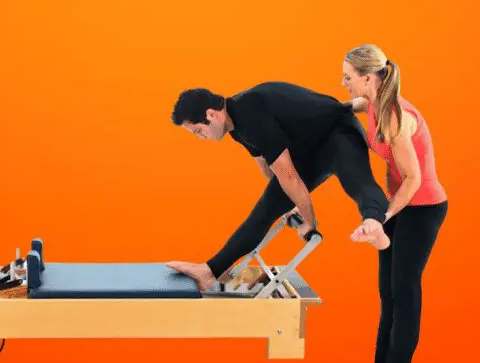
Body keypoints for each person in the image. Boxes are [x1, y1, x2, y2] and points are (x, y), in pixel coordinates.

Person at [166, 81, 391, 292]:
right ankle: (210, 271)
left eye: (197, 131)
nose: (200, 138)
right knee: (265, 209)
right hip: (309, 147)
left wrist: (309, 222)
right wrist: (285, 202)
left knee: (357, 182)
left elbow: (290, 178)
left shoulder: (250, 114)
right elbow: (267, 167)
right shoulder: (236, 125)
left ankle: (373, 222)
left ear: (211, 115)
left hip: (338, 131)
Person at [341, 44, 448, 363]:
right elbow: (354, 105)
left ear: (369, 78)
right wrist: (324, 109)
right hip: (402, 205)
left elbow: (413, 179)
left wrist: (384, 216)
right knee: (387, 294)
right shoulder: (373, 101)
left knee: (403, 290)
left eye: (348, 77)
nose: (344, 82)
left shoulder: (394, 118)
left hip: (423, 208)